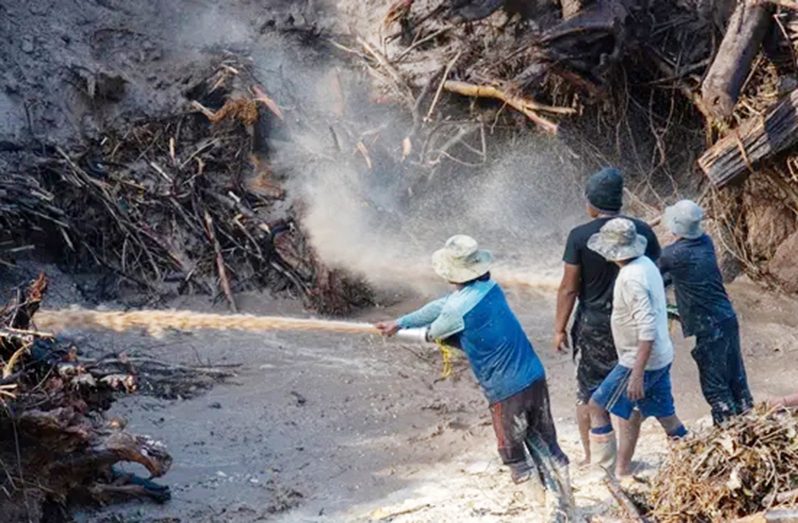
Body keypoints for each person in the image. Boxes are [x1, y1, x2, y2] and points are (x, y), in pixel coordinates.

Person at [375, 235, 573, 516]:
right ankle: (566, 505)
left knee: (513, 457)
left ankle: (543, 511)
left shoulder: (457, 309)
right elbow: (440, 307)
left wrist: (399, 335)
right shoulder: (491, 288)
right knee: (548, 444)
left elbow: (433, 334)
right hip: (534, 375)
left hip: (506, 390)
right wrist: (399, 322)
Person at [554, 167, 661, 466]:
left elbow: (568, 289)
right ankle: (624, 462)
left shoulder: (579, 236)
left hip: (595, 326)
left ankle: (593, 457)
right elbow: (656, 276)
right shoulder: (642, 232)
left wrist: (559, 328)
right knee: (629, 392)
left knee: (587, 391)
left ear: (592, 204)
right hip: (632, 327)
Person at [586, 218, 687, 476]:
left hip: (639, 361)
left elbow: (646, 328)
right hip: (661, 356)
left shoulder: (630, 278)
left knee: (597, 406)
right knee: (664, 415)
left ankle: (604, 471)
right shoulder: (646, 265)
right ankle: (690, 455)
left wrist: (636, 375)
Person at [659, 200, 754, 425]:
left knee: (715, 387)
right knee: (736, 379)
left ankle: (727, 432)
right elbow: (682, 275)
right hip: (727, 318)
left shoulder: (672, 255)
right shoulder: (705, 242)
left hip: (709, 326)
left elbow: (650, 275)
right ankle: (748, 424)